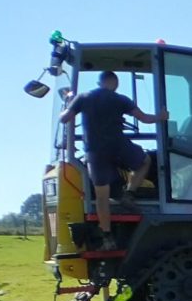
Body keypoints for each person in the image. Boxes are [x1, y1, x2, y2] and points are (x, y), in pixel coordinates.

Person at [59, 70, 165, 249]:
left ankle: (107, 238)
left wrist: (68, 103)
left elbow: (65, 119)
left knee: (102, 197)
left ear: (100, 82)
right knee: (145, 161)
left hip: (95, 151)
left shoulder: (83, 98)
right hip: (118, 146)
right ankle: (129, 194)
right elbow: (144, 118)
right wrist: (161, 117)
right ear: (114, 83)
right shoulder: (120, 99)